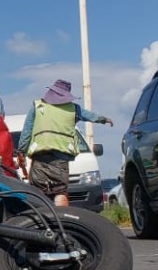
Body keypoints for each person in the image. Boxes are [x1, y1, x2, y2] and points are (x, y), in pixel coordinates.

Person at [16, 79, 113, 207]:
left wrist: (21, 151)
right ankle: (62, 221)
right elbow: (90, 115)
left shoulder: (37, 106)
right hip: (61, 159)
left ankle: (41, 222)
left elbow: (26, 132)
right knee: (60, 191)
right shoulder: (73, 109)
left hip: (40, 158)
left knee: (39, 191)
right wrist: (104, 119)